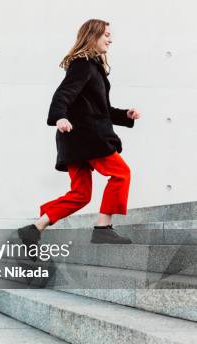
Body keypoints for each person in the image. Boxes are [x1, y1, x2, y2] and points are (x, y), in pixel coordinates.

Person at [18, 19, 141, 245]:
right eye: (106, 35)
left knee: (81, 194)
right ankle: (103, 228)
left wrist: (125, 115)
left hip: (76, 140)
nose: (110, 39)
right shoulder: (83, 64)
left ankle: (35, 228)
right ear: (93, 35)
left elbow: (101, 110)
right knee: (121, 173)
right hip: (87, 138)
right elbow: (63, 94)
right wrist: (59, 117)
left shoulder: (92, 66)